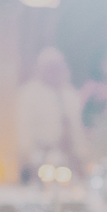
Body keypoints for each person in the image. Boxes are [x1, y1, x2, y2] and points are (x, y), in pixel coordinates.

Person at [16, 46, 88, 178]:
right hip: (38, 164)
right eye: (50, 67)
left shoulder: (71, 95)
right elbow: (24, 131)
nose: (54, 71)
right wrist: (31, 160)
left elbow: (77, 132)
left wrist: (81, 159)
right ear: (40, 68)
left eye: (58, 67)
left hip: (66, 165)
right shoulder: (28, 94)